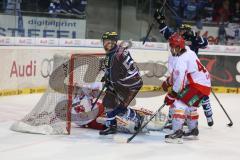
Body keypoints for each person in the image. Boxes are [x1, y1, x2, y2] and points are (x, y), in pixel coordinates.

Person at [154, 9, 214, 127]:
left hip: (193, 73)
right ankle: (182, 121)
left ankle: (208, 117)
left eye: (183, 30)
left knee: (194, 98)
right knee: (187, 99)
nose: (180, 32)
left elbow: (206, 44)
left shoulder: (192, 40)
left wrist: (197, 38)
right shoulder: (177, 40)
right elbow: (167, 32)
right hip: (190, 74)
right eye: (180, 30)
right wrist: (161, 21)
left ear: (188, 31)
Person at [163, 33, 211, 143]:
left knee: (178, 103)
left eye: (172, 46)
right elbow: (180, 76)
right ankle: (193, 130)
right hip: (205, 84)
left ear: (178, 47)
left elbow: (180, 80)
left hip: (197, 85)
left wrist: (172, 95)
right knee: (191, 106)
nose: (171, 49)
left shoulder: (181, 60)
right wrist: (169, 81)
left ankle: (177, 133)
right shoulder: (189, 51)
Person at [98, 31, 143, 135]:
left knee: (118, 107)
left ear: (114, 42)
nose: (106, 44)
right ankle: (112, 125)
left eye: (109, 41)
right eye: (105, 41)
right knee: (109, 101)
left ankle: (138, 117)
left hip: (130, 85)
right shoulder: (119, 50)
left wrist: (109, 81)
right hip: (131, 81)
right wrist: (107, 77)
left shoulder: (112, 56)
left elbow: (114, 76)